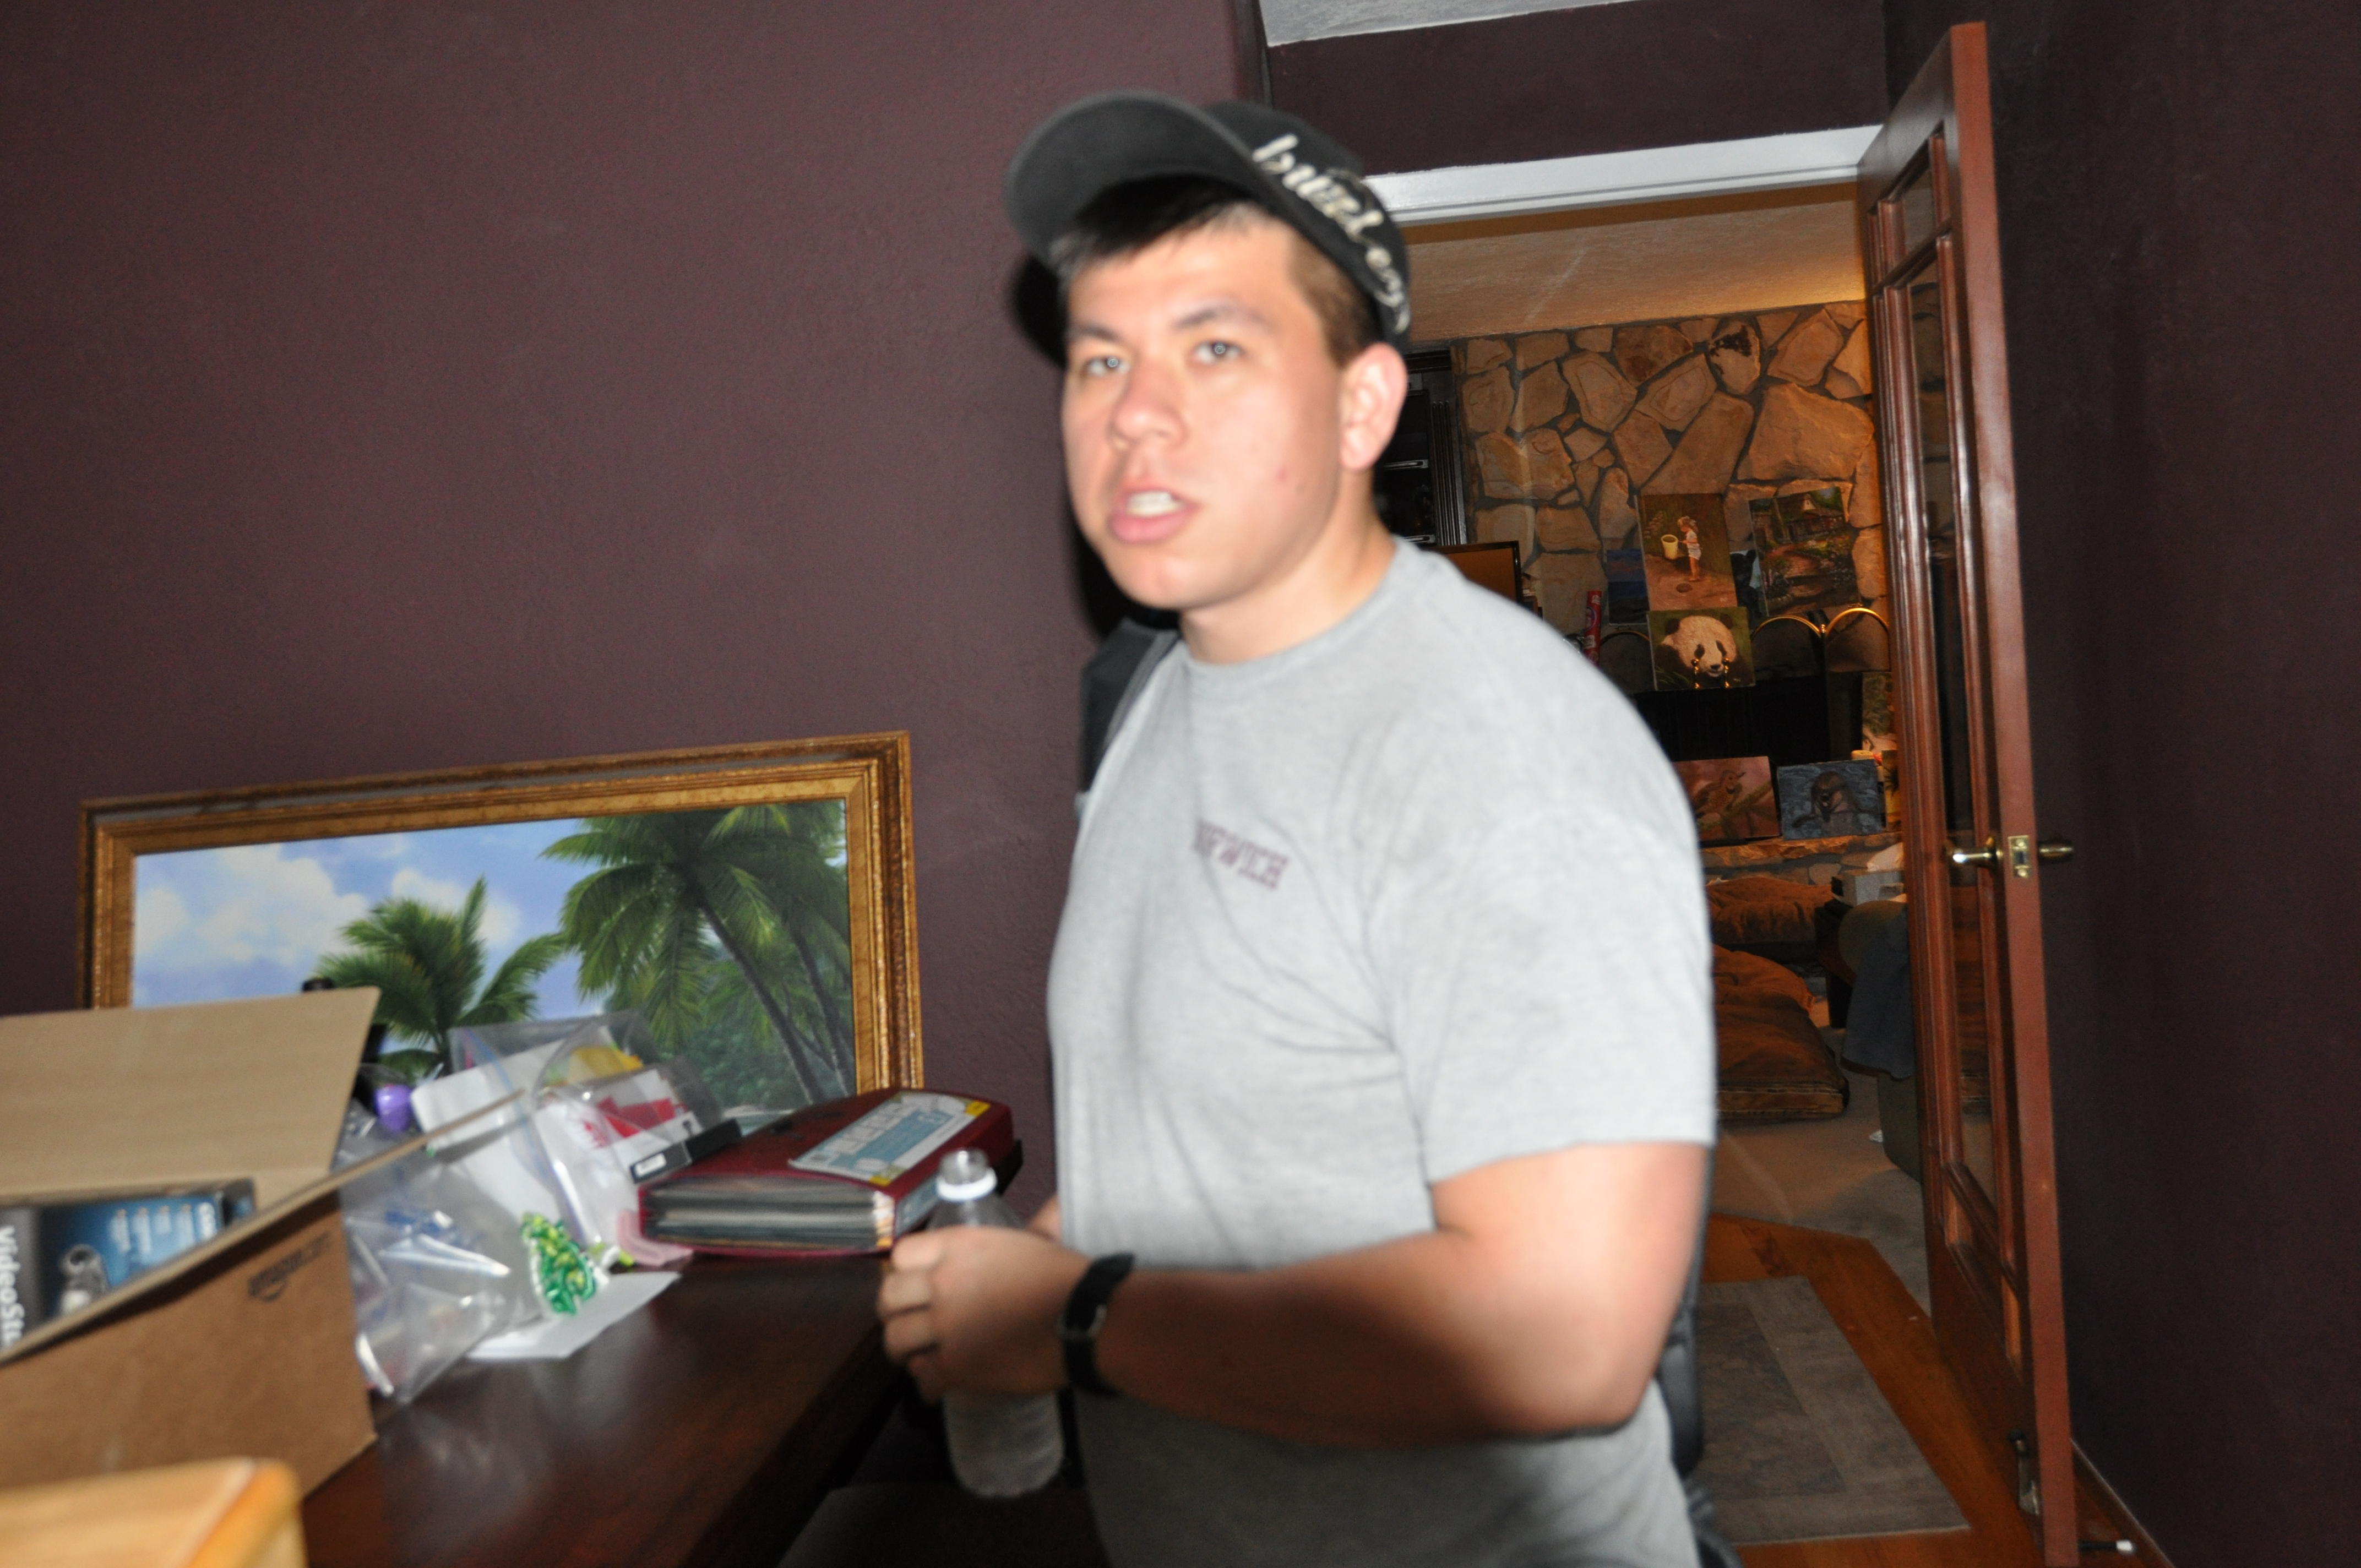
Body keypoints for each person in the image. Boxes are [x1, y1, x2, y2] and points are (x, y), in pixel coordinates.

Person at [877, 91, 1716, 1568]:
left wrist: (1076, 1320)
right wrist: (1032, 1259)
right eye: (1100, 357)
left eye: (1216, 347)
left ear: (1362, 407)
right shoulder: (1156, 693)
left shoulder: (1497, 752)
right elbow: (1217, 1137)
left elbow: (1566, 1337)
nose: (1136, 411)